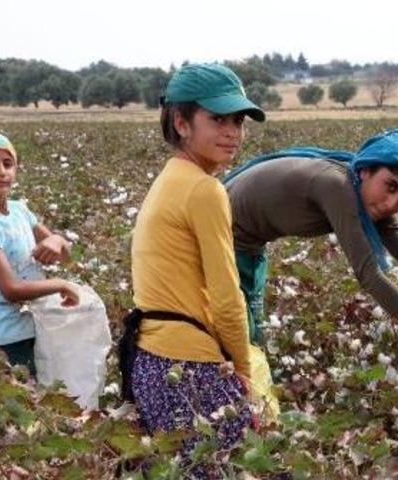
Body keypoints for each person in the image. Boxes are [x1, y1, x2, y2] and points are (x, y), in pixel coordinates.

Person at [123, 63, 265, 475]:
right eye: (217, 119)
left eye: (238, 120)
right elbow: (226, 295)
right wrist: (241, 371)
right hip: (190, 370)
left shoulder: (171, 177)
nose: (232, 132)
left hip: (151, 363)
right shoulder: (205, 190)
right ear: (181, 122)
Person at [223, 125, 398, 344]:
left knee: (250, 338)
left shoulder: (364, 192)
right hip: (220, 240)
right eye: (391, 186)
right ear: (367, 169)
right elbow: (369, 274)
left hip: (248, 248)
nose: (391, 204)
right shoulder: (337, 186)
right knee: (239, 340)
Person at [0, 127, 78, 376]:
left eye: (8, 164)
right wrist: (60, 284)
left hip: (36, 327)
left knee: (42, 402)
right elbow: (12, 290)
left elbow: (67, 256)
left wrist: (57, 240)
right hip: (5, 340)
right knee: (18, 407)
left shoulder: (19, 210)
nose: (1, 171)